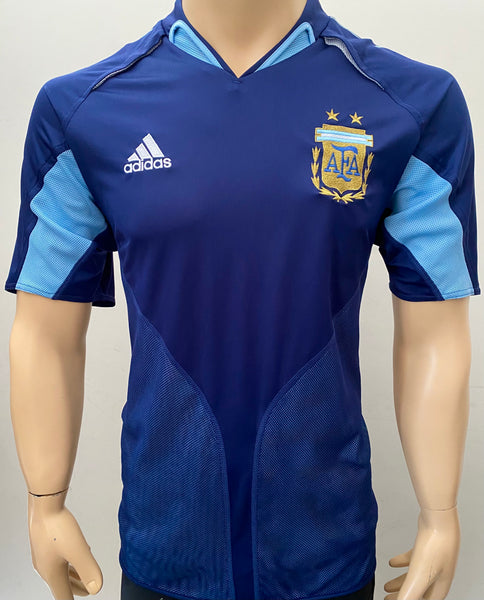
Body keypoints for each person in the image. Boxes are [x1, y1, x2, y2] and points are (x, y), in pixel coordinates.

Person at [4, 0, 480, 599]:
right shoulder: (83, 112)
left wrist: (440, 513)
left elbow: (435, 332)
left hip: (326, 552)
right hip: (165, 550)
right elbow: (44, 334)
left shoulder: (412, 106)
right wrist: (44, 502)